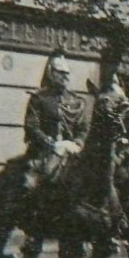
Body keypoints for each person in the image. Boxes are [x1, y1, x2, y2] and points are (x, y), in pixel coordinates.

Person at [21, 52, 91, 188]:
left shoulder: (75, 100)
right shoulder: (39, 98)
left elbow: (83, 127)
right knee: (32, 185)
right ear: (51, 73)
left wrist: (77, 142)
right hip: (43, 151)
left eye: (67, 72)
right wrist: (52, 143)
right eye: (60, 72)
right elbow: (32, 126)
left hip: (71, 151)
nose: (65, 76)